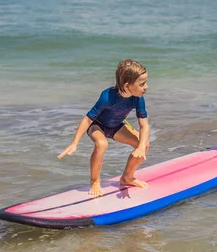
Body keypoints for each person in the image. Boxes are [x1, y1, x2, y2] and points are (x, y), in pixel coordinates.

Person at [58, 59, 150, 197]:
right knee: (102, 144)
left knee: (143, 144)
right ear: (127, 86)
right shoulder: (107, 96)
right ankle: (95, 181)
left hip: (116, 125)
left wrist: (141, 146)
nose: (146, 87)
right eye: (142, 84)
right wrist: (75, 142)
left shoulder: (138, 98)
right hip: (97, 125)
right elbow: (88, 119)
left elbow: (144, 125)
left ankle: (127, 177)